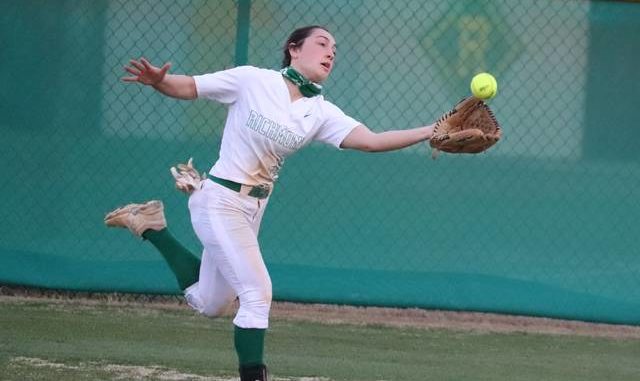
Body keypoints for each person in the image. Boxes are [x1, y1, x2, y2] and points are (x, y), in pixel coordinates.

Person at [105, 25, 434, 381]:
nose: (330, 53)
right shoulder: (252, 81)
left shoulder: (319, 111)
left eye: (334, 50)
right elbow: (188, 86)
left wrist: (431, 130)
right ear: (293, 49)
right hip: (219, 200)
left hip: (253, 209)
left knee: (211, 304)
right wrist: (159, 81)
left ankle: (152, 226)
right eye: (322, 44)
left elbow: (372, 140)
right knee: (257, 295)